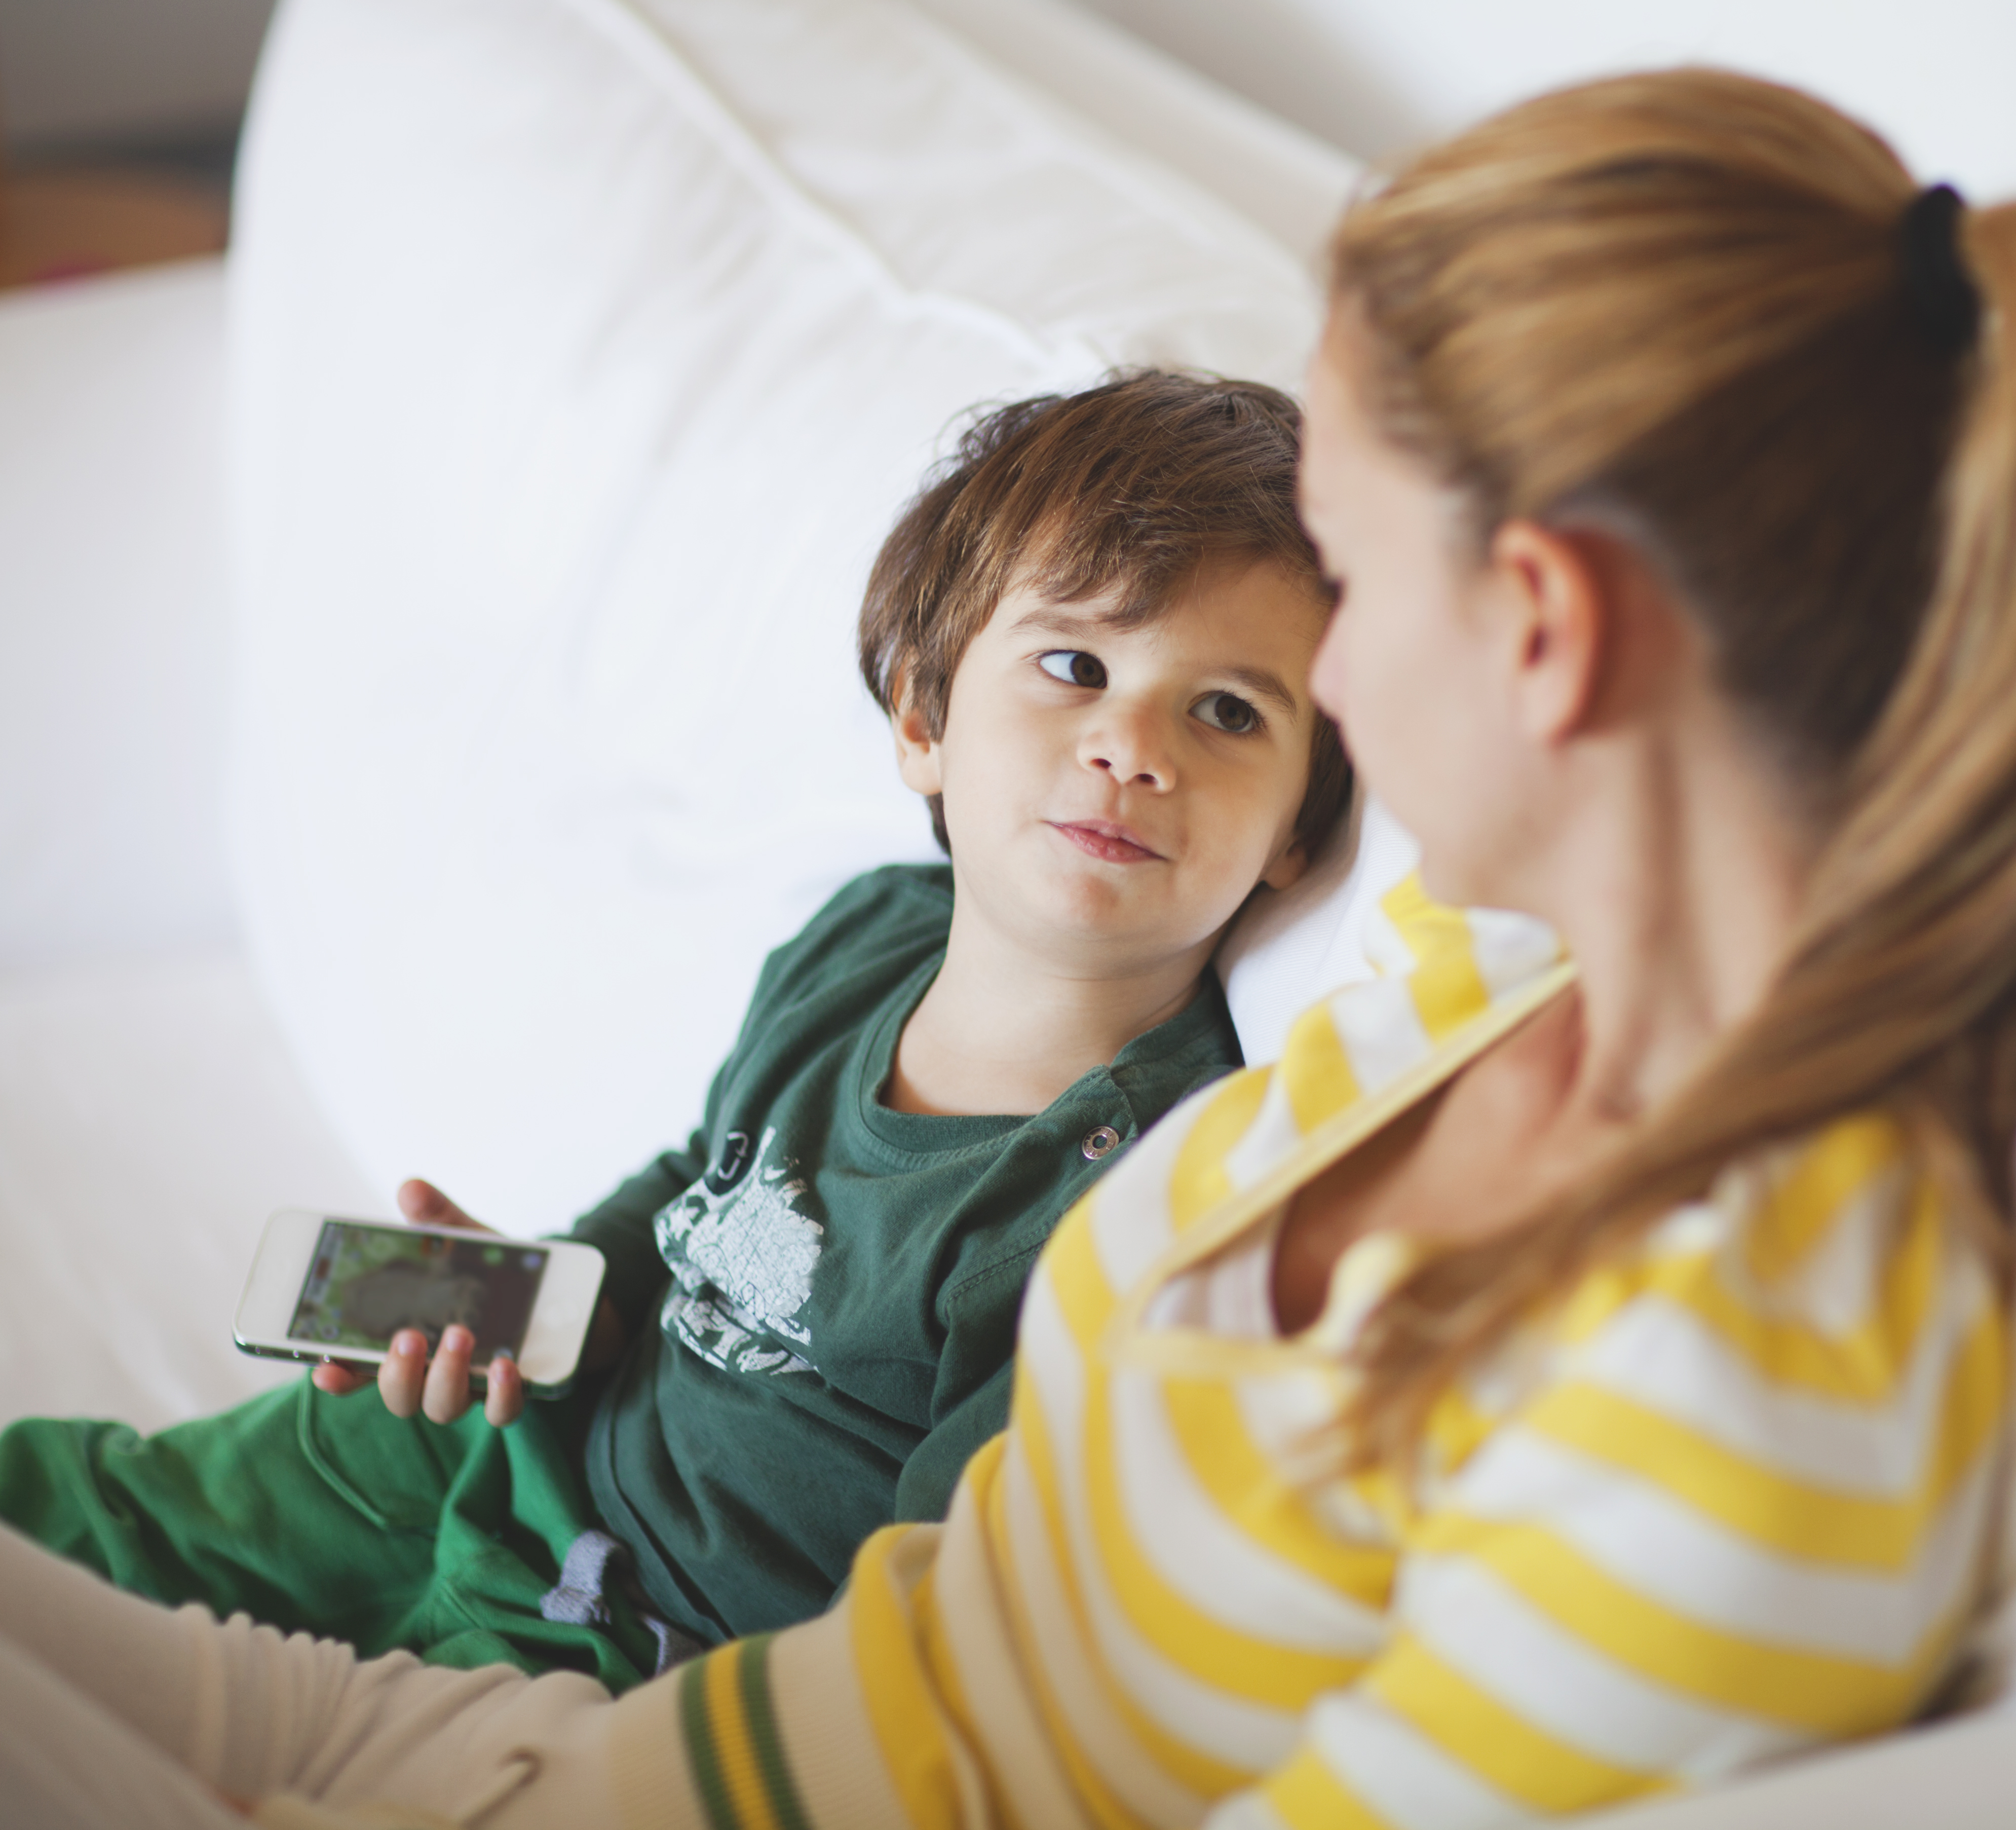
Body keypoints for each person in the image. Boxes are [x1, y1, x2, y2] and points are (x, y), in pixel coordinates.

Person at [1, 66, 2016, 1828]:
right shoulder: (1473, 981)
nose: (1273, 699)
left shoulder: (1747, 1388)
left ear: (1530, 628)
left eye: (1333, 551)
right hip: (587, 1732)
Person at [0, 370, 1353, 1689]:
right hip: (516, 1435)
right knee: (107, 1513)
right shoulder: (864, 936)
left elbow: (948, 1626)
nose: (1132, 743)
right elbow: (700, 1186)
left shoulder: (1139, 1197)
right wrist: (523, 1298)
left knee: (158, 1750)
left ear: (1296, 828)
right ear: (925, 720)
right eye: (1073, 663)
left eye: (1227, 710)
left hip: (621, 1646)